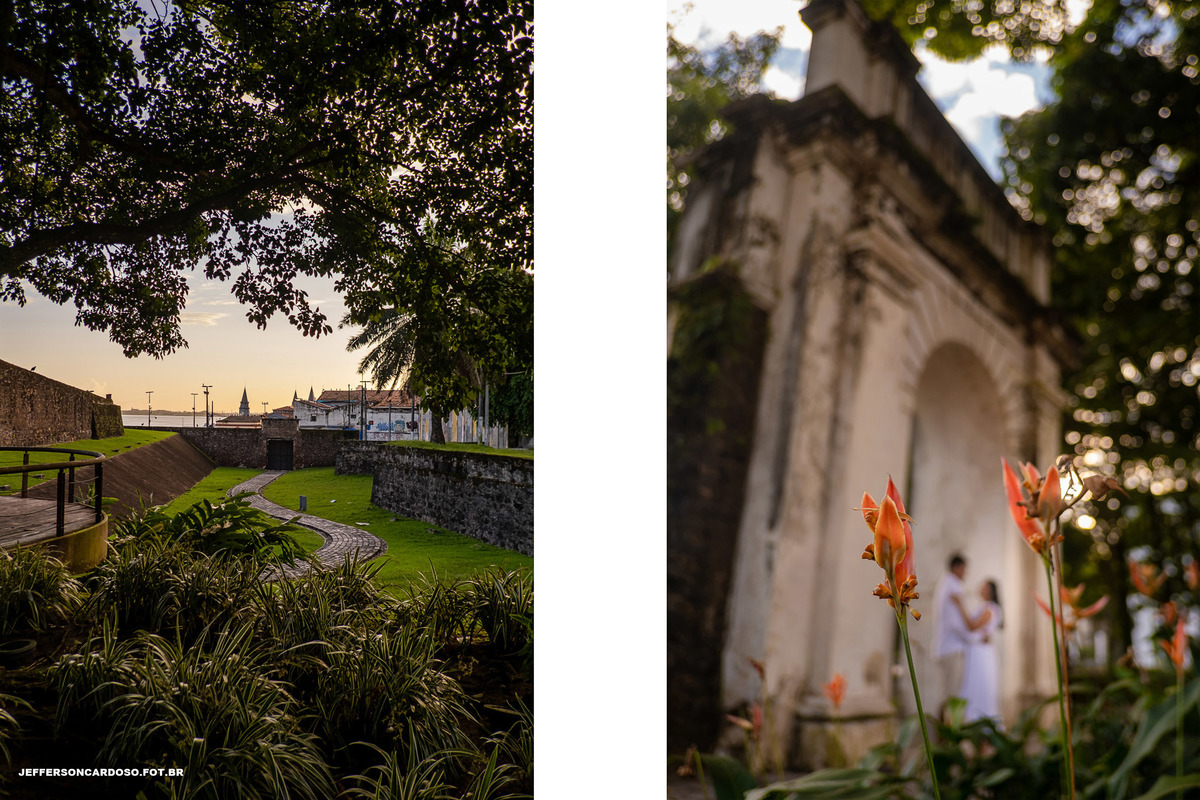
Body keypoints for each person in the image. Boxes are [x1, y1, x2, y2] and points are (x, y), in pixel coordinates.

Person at [932, 554, 992, 720]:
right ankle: (945, 738)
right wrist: (978, 636)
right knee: (951, 697)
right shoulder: (953, 586)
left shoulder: (945, 584)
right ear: (956, 567)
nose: (966, 572)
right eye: (964, 568)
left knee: (948, 694)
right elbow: (964, 625)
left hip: (946, 647)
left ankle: (944, 736)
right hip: (951, 649)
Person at [960, 579, 1003, 726]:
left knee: (982, 690)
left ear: (989, 591)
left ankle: (985, 727)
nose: (980, 589)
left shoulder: (990, 608)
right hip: (976, 652)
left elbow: (973, 626)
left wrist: (959, 605)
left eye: (983, 587)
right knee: (972, 688)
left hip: (982, 655)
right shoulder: (984, 607)